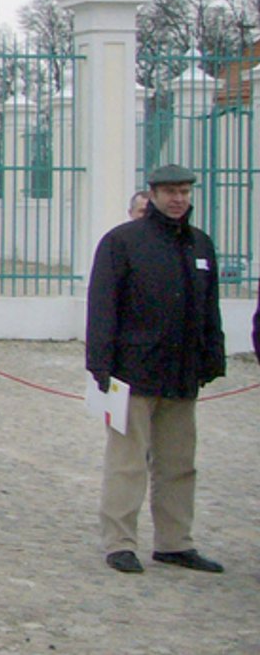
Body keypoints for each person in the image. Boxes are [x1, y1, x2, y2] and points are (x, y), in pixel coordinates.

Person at [86, 163, 226, 575]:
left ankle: (174, 542)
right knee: (127, 462)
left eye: (183, 191)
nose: (178, 199)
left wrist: (212, 356)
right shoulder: (122, 242)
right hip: (134, 371)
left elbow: (209, 308)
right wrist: (100, 364)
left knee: (179, 463)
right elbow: (103, 306)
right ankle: (119, 542)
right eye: (170, 192)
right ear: (153, 196)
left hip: (182, 373)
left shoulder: (200, 244)